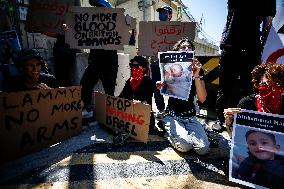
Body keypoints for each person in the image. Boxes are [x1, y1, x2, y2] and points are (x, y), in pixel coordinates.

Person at [214, 0, 277, 132]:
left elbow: (268, 24)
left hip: (252, 48)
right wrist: (223, 39)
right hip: (230, 45)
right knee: (225, 86)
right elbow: (229, 17)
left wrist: (262, 49)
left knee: (248, 88)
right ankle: (220, 119)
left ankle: (244, 122)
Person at [157, 38, 210, 155]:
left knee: (203, 149)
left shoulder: (198, 71)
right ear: (176, 52)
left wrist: (196, 75)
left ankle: (183, 133)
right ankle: (167, 127)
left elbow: (202, 99)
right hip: (173, 115)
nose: (186, 49)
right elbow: (165, 86)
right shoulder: (172, 69)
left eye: (189, 47)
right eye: (183, 47)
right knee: (185, 146)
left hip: (190, 117)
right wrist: (161, 85)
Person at [80, 0, 118, 119]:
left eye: (100, 7)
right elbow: (79, 35)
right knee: (85, 83)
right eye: (96, 7)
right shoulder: (91, 24)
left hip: (109, 63)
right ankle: (87, 108)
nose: (97, 9)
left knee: (109, 90)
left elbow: (127, 38)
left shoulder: (115, 24)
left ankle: (110, 114)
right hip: (95, 62)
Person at [224, 63, 284, 137]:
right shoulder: (247, 104)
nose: (271, 89)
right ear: (257, 85)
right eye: (264, 84)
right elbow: (236, 139)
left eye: (275, 85)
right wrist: (229, 122)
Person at [119, 56, 155, 132]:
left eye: (136, 66)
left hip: (143, 118)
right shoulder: (130, 80)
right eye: (131, 65)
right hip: (130, 115)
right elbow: (122, 96)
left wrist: (141, 103)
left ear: (144, 68)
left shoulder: (147, 81)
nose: (133, 68)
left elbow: (147, 99)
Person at [149, 5, 173, 119]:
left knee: (173, 87)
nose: (161, 14)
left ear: (170, 15)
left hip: (170, 64)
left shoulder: (176, 30)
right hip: (154, 63)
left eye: (164, 12)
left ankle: (172, 109)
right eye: (160, 12)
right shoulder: (153, 29)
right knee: (156, 87)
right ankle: (161, 108)